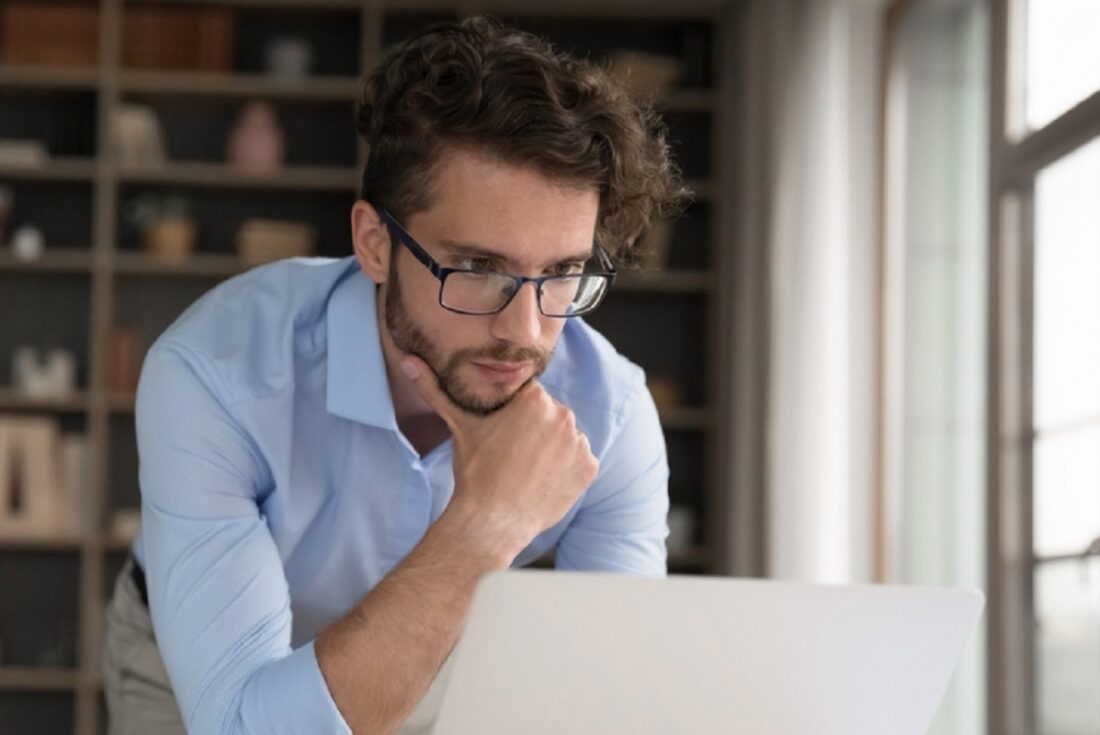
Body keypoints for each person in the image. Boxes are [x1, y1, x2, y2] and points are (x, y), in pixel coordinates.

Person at [102, 16, 686, 735]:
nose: (526, 332)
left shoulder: (611, 415)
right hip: (199, 661)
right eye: (478, 269)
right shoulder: (216, 376)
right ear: (375, 244)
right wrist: (486, 520)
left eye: (561, 273)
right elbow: (240, 722)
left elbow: (616, 701)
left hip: (441, 651)